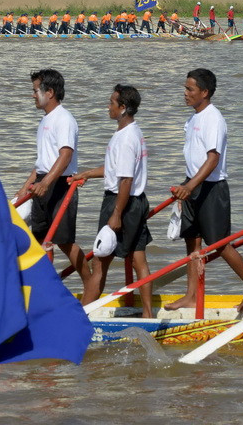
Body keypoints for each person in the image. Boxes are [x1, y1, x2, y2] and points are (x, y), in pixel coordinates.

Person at [165, 69, 243, 311]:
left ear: (204, 92)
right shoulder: (193, 118)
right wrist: (187, 185)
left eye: (190, 89)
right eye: (185, 88)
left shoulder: (213, 118)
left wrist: (191, 186)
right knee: (192, 242)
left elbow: (213, 159)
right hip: (192, 185)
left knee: (219, 243)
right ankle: (191, 295)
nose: (185, 93)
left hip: (211, 188)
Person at [75, 85, 154, 317]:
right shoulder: (131, 132)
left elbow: (126, 180)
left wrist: (116, 213)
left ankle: (81, 317)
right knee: (138, 258)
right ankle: (148, 314)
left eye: (111, 103)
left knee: (99, 262)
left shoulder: (127, 138)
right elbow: (116, 170)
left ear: (123, 108)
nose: (108, 107)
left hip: (121, 202)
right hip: (136, 202)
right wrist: (87, 173)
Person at [15, 69, 91, 287]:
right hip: (42, 183)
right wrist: (25, 188)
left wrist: (46, 183)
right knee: (38, 239)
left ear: (49, 92)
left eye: (35, 91)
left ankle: (90, 283)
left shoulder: (64, 119)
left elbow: (65, 155)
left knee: (64, 242)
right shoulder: (44, 120)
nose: (32, 95)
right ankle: (41, 286)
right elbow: (42, 162)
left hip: (59, 187)